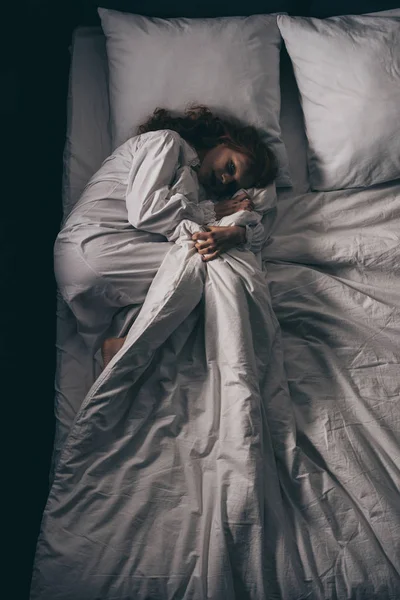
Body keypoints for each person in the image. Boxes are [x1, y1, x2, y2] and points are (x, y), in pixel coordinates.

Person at [54, 104, 277, 369]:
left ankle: (129, 342)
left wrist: (239, 231)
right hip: (93, 248)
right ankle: (131, 346)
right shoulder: (166, 142)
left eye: (233, 182)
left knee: (218, 271)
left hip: (100, 285)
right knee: (218, 266)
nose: (225, 179)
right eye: (230, 165)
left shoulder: (198, 189)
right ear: (224, 140)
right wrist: (213, 214)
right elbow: (146, 211)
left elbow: (259, 211)